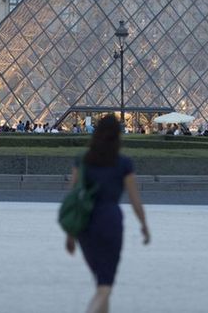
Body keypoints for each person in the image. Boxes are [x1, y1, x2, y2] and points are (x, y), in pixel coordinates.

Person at [65, 115, 149, 313]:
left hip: (86, 223)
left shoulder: (82, 160)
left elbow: (72, 198)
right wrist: (144, 225)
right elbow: (135, 200)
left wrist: (70, 233)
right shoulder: (123, 163)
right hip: (110, 221)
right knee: (105, 286)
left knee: (100, 282)